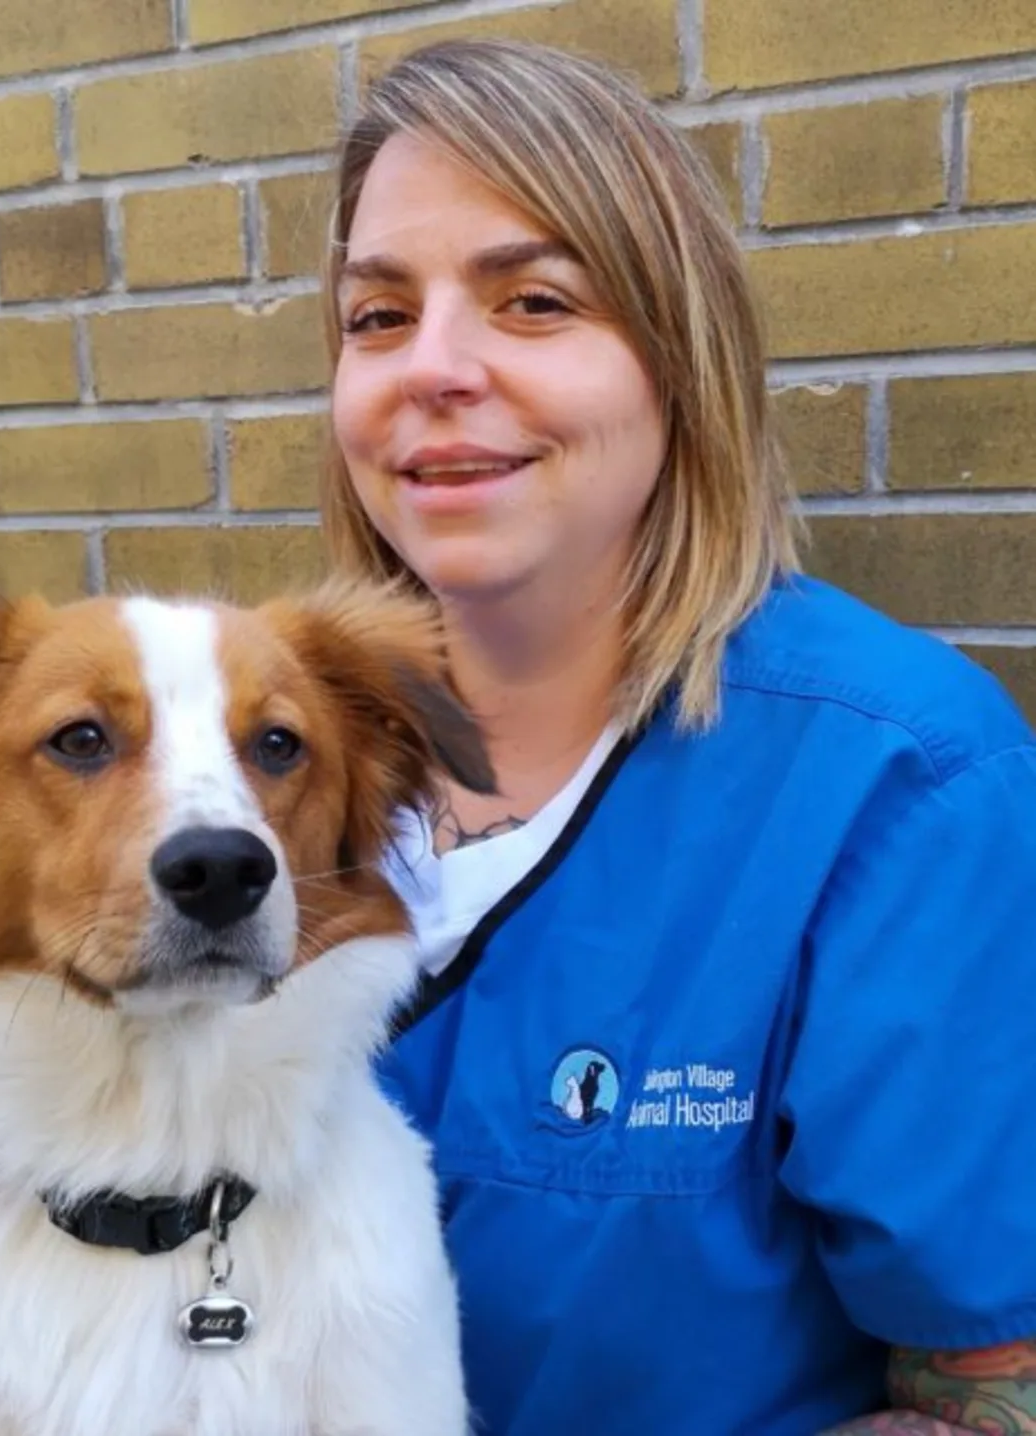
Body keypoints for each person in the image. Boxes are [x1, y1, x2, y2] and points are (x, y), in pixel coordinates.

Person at [322, 37, 1036, 1436]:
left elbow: (984, 1398)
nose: (434, 368)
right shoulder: (259, 749)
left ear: (678, 357)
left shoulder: (897, 781)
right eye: (375, 317)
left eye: (532, 301)